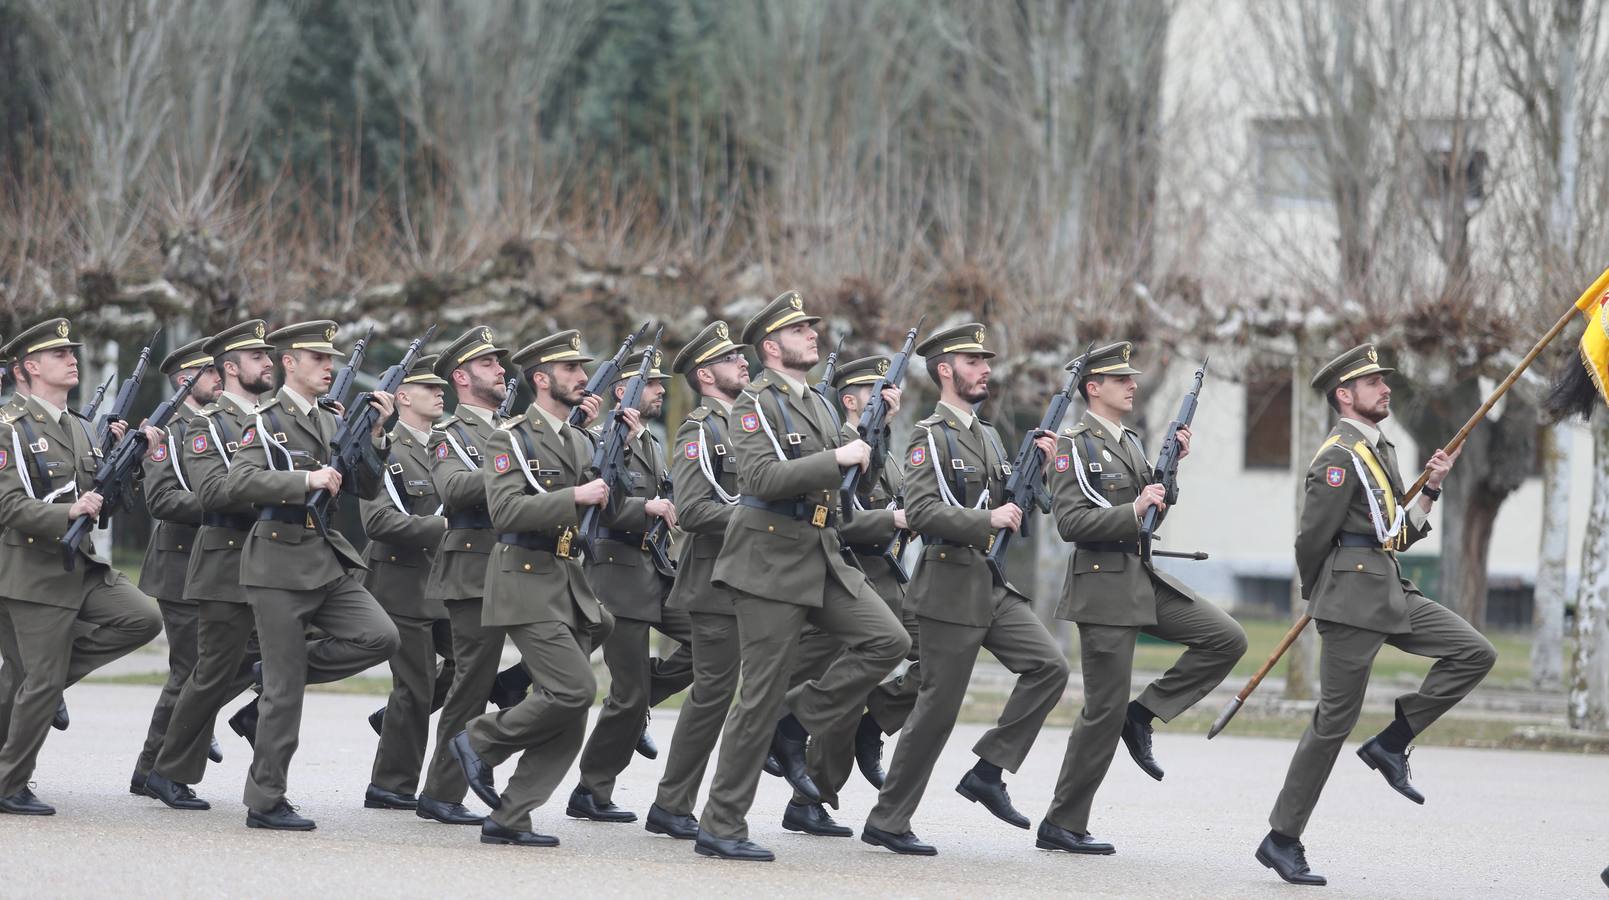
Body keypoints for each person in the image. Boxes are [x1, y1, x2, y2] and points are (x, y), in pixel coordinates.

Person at [1258, 344, 1496, 886]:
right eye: (1372, 383)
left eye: (1383, 381)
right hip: (1349, 603)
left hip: (1388, 590)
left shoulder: (1377, 447)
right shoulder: (1338, 456)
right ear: (1345, 395)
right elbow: (1310, 539)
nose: (1385, 389)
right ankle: (1282, 838)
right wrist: (1318, 593)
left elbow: (1392, 536)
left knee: (1474, 652)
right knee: (1331, 724)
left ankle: (1391, 742)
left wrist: (1431, 487)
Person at [694, 291, 911, 862]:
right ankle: (721, 824)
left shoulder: (816, 403)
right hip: (767, 557)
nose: (812, 334)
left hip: (820, 551)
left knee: (888, 640)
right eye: (799, 329)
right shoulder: (753, 403)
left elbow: (853, 482)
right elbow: (761, 478)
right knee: (757, 696)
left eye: (812, 327)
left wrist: (876, 429)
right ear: (771, 346)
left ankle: (795, 722)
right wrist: (837, 459)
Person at [861, 322, 1068, 856]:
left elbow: (1015, 500)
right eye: (974, 363)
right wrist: (988, 520)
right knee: (937, 710)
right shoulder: (929, 436)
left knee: (1049, 667)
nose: (986, 371)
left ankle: (989, 770)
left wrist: (1036, 471)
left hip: (990, 583)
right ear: (946, 370)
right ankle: (888, 819)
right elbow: (923, 512)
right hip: (948, 583)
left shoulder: (989, 434)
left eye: (987, 362)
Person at [1038, 341, 1247, 855]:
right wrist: (1133, 508)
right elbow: (1070, 524)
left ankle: (1144, 714)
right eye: (1120, 379)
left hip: (1140, 578)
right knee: (1100, 711)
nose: (1133, 384)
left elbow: (1150, 513)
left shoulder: (1129, 441)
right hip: (1103, 587)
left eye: (1132, 377)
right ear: (1093, 388)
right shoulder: (1075, 445)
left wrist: (1169, 474)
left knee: (1226, 638)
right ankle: (1061, 823)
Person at [224, 320, 401, 830]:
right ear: (289, 363)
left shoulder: (331, 420)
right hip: (277, 562)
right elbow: (240, 483)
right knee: (285, 693)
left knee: (379, 636)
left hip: (324, 560)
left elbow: (366, 487)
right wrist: (305, 478)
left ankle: (279, 672)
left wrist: (377, 434)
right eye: (318, 358)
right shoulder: (264, 418)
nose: (329, 367)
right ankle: (265, 801)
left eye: (332, 360)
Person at [447, 329, 611, 848]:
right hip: (523, 579)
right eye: (570, 371)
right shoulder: (511, 437)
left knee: (567, 713)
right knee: (575, 689)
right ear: (541, 380)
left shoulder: (582, 440)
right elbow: (506, 512)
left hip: (569, 581)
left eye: (581, 369)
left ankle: (512, 815)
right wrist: (574, 495)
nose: (583, 378)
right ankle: (478, 739)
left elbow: (600, 506)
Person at [0, 318, 163, 815]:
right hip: (30, 571)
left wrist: (135, 460)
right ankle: (9, 785)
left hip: (79, 565)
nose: (72, 358)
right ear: (29, 367)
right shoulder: (9, 427)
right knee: (41, 681)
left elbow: (105, 504)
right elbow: (7, 506)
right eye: (58, 354)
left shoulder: (80, 428)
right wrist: (65, 512)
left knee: (142, 618)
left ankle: (34, 683)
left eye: (72, 352)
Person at [569, 347, 691, 822]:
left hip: (656, 572)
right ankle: (591, 790)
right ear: (625, 391)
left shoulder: (649, 441)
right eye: (655, 384)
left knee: (715, 641)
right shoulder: (607, 441)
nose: (662, 390)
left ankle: (642, 700)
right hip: (618, 577)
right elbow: (598, 509)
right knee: (627, 692)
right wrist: (649, 508)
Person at [645, 321, 749, 840]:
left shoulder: (752, 424)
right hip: (714, 585)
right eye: (731, 359)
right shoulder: (701, 430)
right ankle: (673, 803)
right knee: (713, 695)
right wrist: (760, 518)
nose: (743, 362)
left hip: (754, 581)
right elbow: (693, 509)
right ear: (706, 375)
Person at [130, 337, 225, 795]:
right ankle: (154, 769)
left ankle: (160, 760)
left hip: (215, 565)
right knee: (189, 671)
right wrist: (227, 506)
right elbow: (162, 499)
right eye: (210, 373)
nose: (220, 378)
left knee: (212, 668)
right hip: (180, 565)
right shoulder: (165, 429)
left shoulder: (219, 424)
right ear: (185, 381)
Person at [360, 354, 450, 811]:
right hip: (400, 583)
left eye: (441, 387)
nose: (440, 393)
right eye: (428, 387)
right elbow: (377, 519)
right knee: (415, 688)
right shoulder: (385, 447)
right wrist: (443, 528)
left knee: (468, 672)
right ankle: (391, 785)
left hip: (445, 586)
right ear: (402, 397)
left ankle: (392, 720)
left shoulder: (451, 446)